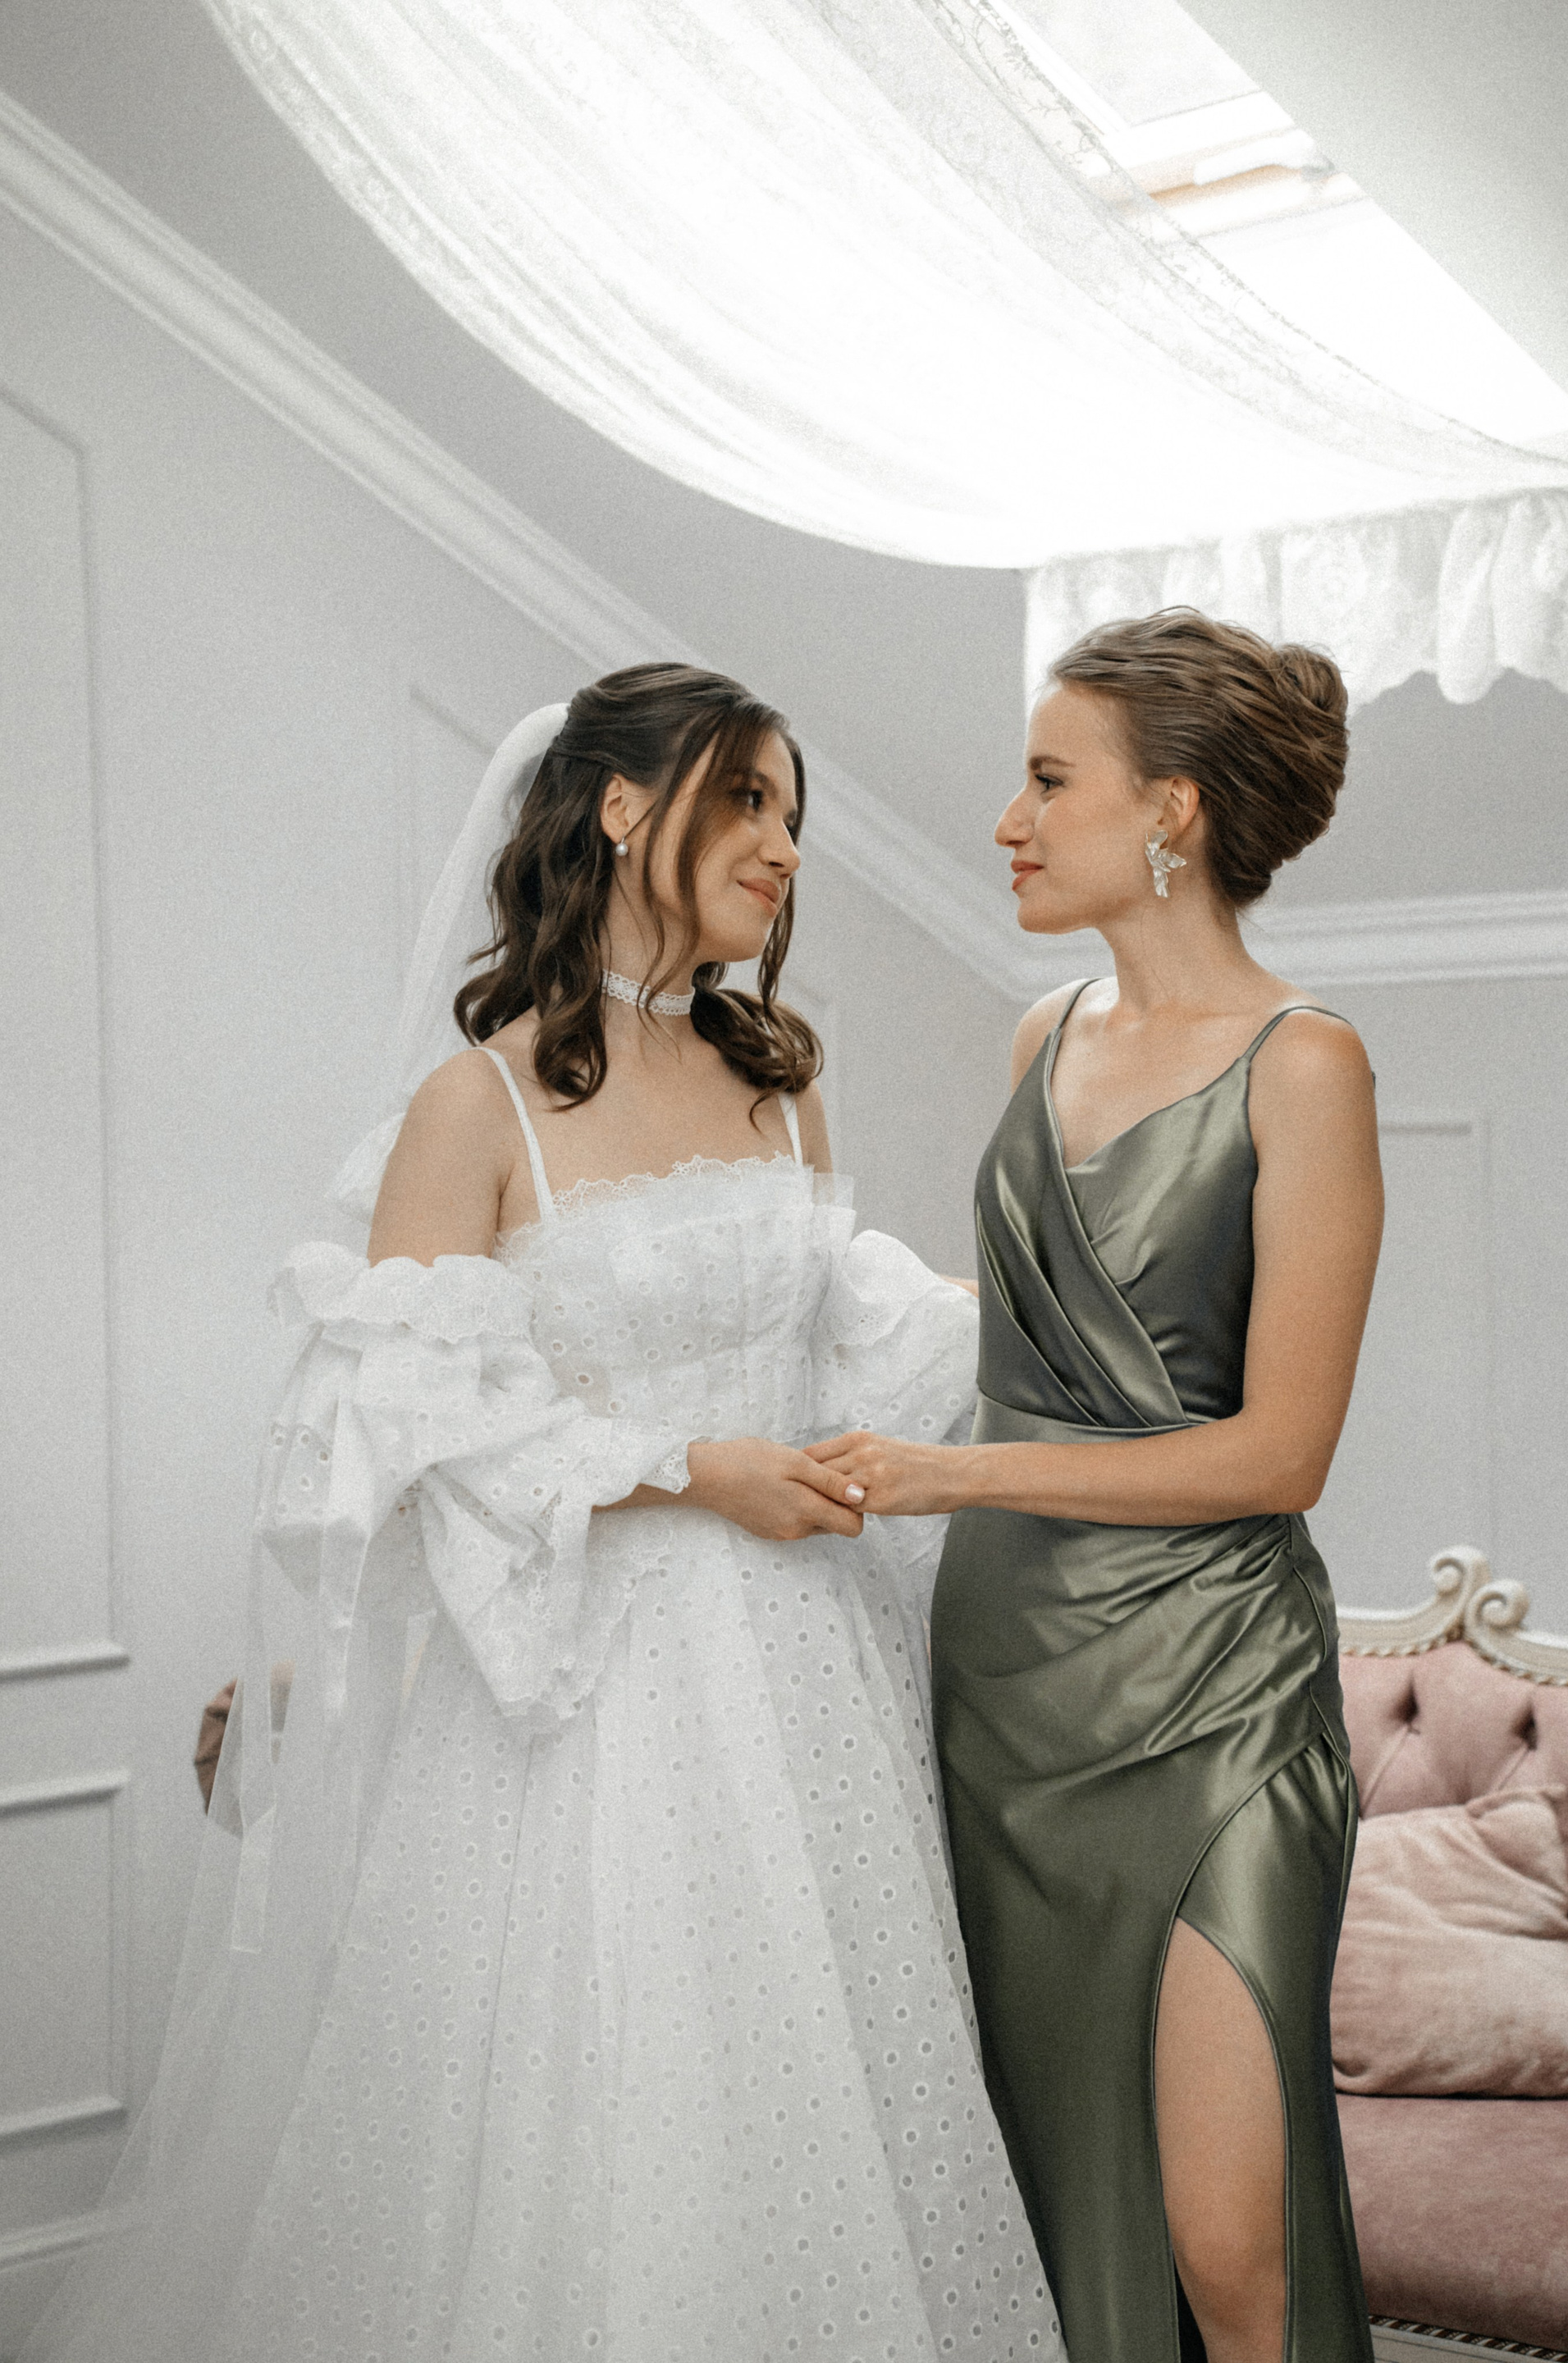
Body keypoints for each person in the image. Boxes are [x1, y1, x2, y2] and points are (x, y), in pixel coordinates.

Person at [25, 664, 1058, 2363]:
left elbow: (855, 1334)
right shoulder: (478, 1104)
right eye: (747, 799)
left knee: (807, 2092)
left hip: (811, 1677)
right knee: (601, 2100)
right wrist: (694, 1468)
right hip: (587, 1695)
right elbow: (417, 1415)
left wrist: (1085, 1317)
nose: (785, 846)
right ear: (623, 808)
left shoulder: (782, 1079)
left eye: (794, 814)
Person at [808, 611, 1383, 2363]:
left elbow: (1280, 1452)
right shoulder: (1038, 1038)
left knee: (1233, 2241)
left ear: (1173, 811)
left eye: (1051, 781)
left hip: (1218, 1700)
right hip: (1010, 1687)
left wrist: (948, 1472)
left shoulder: (1307, 1062)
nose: (1010, 821)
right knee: (1055, 2208)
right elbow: (1041, 1330)